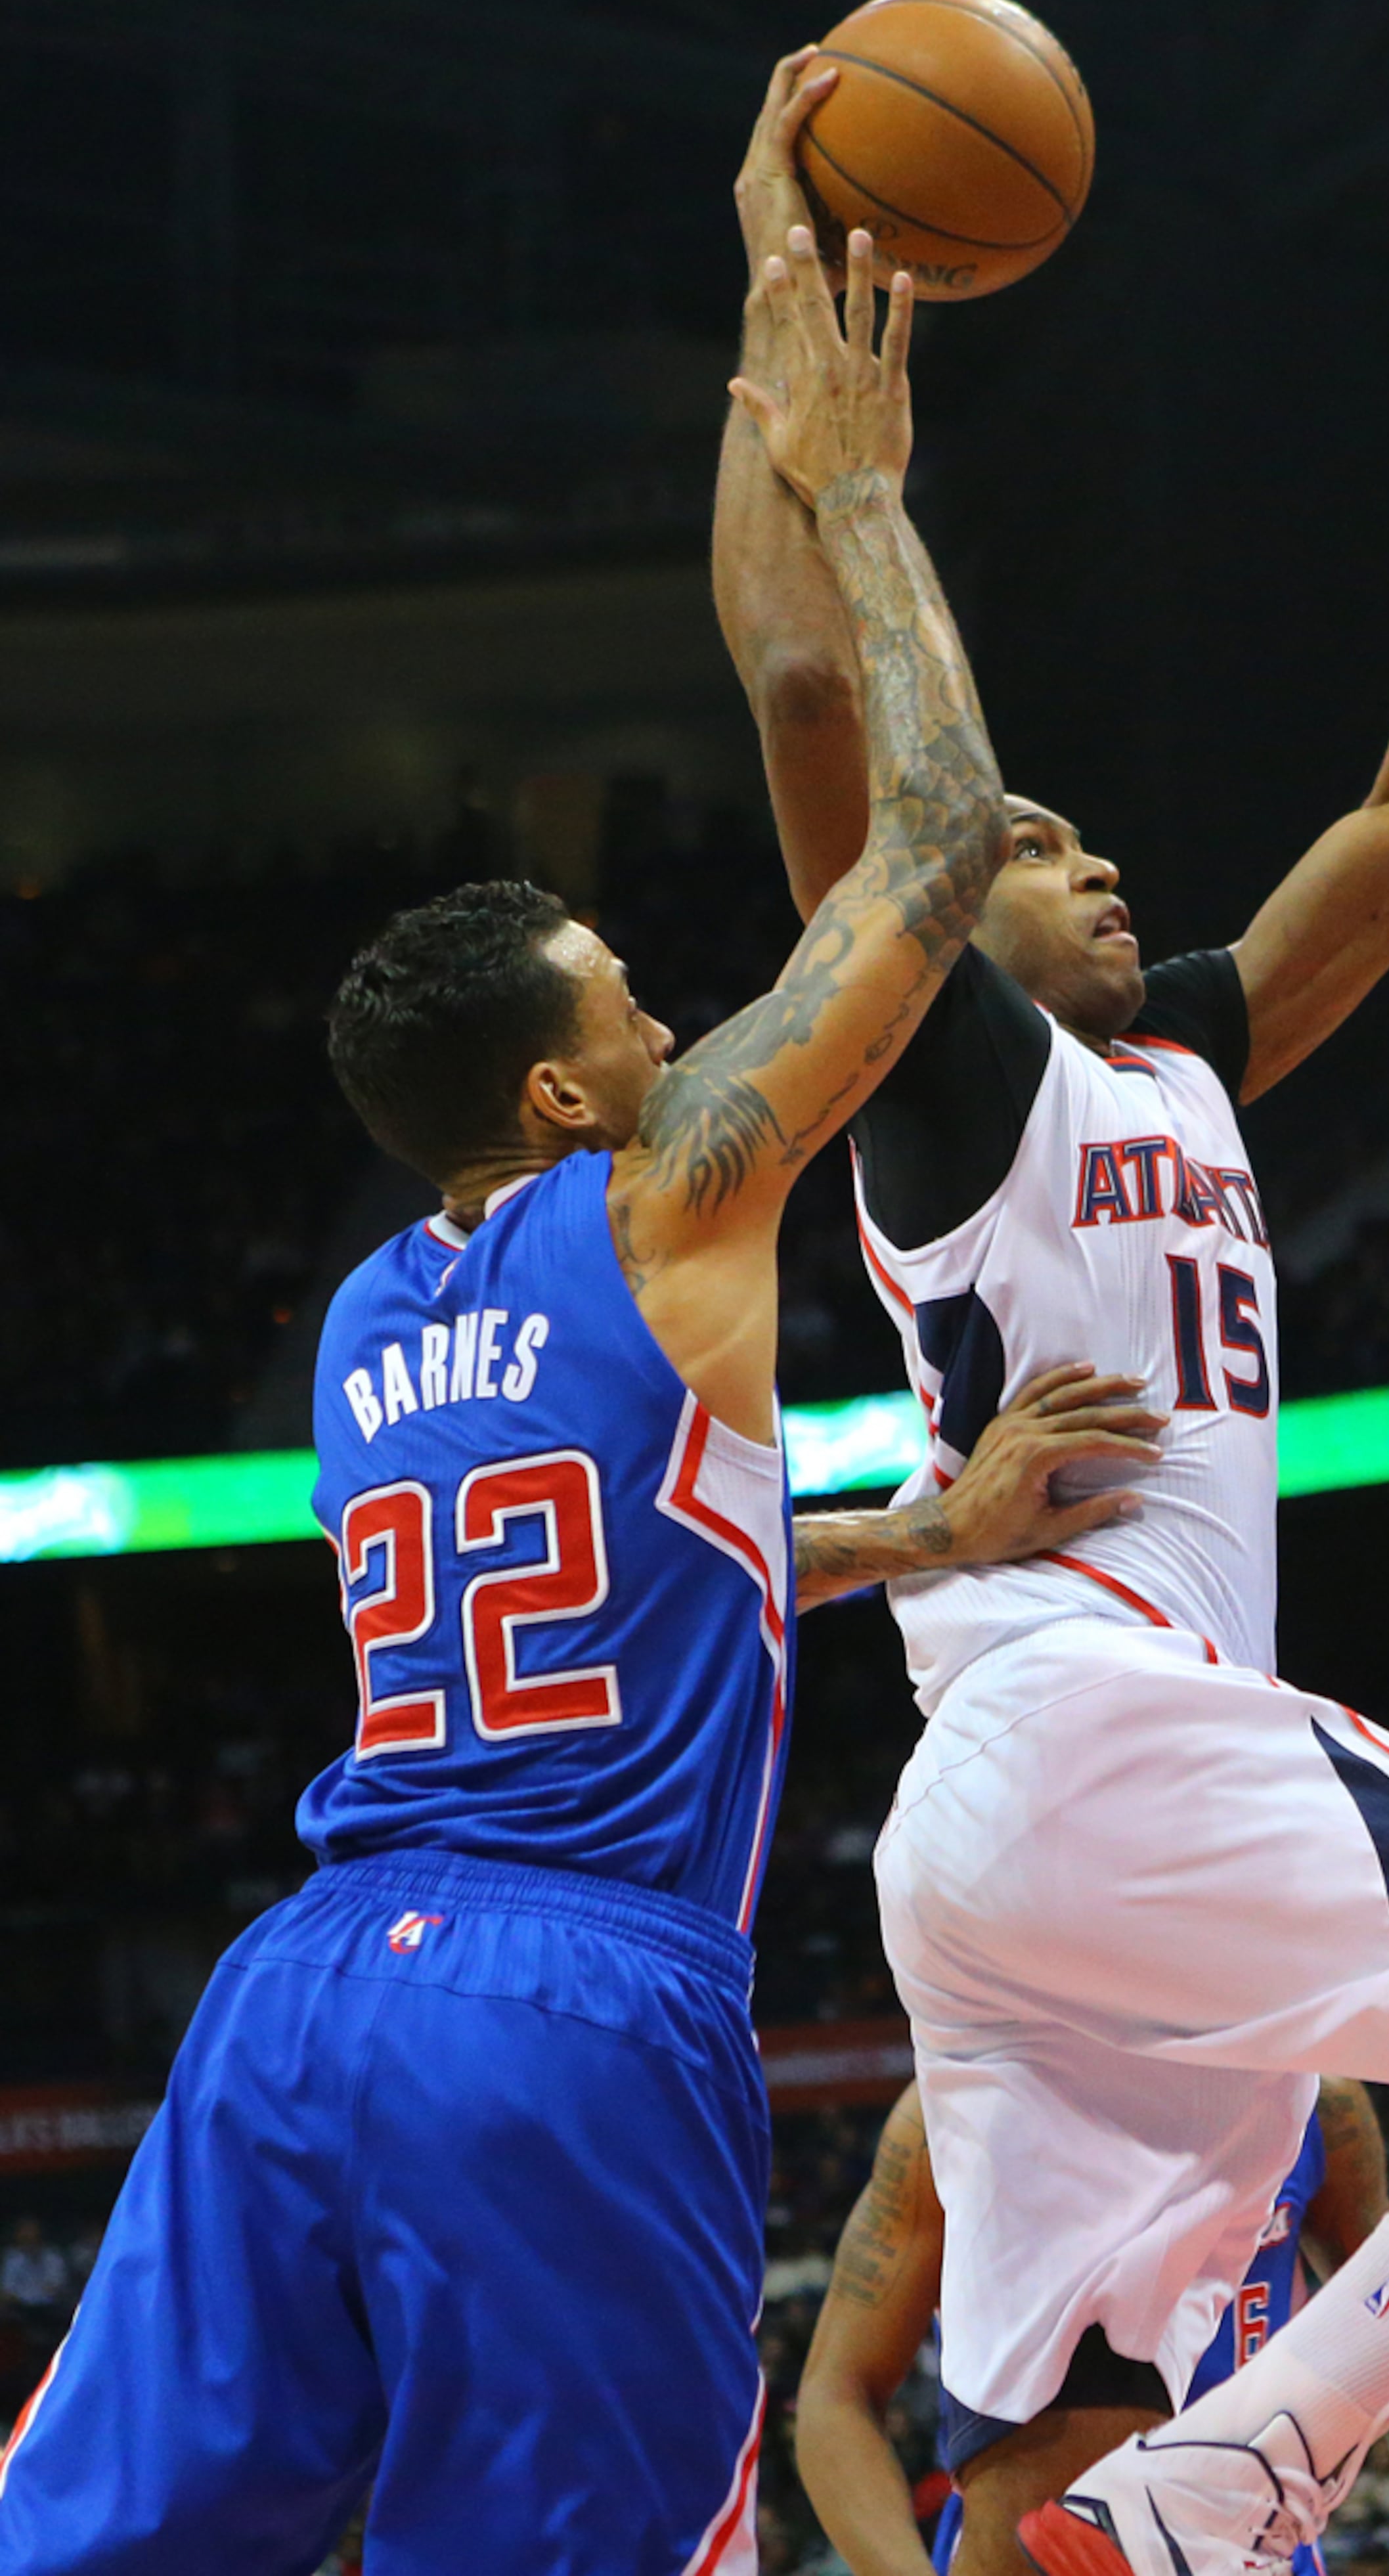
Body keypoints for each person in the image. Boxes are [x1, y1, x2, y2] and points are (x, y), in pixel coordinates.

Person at [711, 50, 1389, 2576]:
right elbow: (810, 715)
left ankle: (1169, 2500)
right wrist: (791, 352)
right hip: (1093, 1731)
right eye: (1047, 849)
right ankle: (1259, 2474)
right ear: (940, 921)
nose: (1096, 868)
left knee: (1047, 2464)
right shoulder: (942, 1065)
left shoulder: (1168, 1049)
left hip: (1027, 1839)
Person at [0, 220, 1110, 2575]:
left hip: (297, 1995)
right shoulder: (671, 1197)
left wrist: (917, 1533)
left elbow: (637, 1564)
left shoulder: (359, 1319)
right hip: (567, 1992)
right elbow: (941, 831)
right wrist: (865, 487)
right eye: (625, 1003)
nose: (665, 1011)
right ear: (560, 1085)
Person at [793, 2079, 1389, 2576]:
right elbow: (839, 2391)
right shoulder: (954, 2117)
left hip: (1249, 2544)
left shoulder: (1313, 2101)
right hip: (1024, 2550)